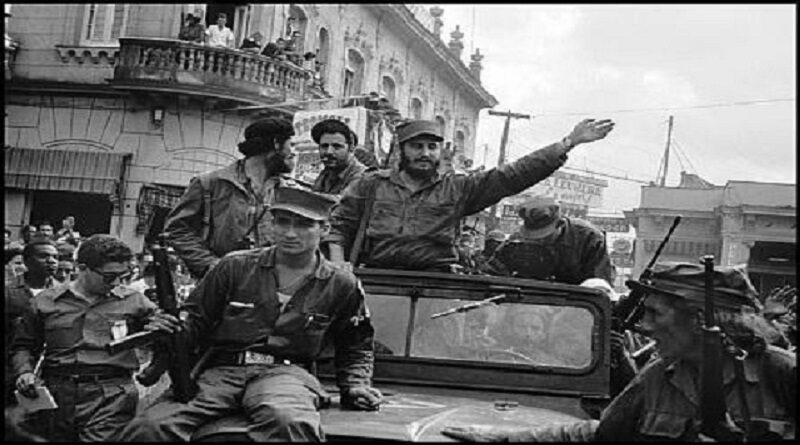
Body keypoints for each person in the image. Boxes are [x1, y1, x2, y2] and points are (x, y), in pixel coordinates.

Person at [120, 187, 382, 442]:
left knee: (289, 423)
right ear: (271, 225)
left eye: (303, 225)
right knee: (151, 426)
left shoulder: (341, 283)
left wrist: (355, 384)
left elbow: (356, 344)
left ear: (324, 230)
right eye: (283, 222)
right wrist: (170, 329)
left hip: (287, 375)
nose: (290, 233)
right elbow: (195, 321)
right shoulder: (234, 267)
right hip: (221, 371)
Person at [442, 262, 796, 442]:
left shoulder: (781, 374)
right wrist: (503, 436)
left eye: (657, 314)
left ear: (701, 321)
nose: (645, 326)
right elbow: (600, 434)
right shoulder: (659, 376)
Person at [328, 118, 614, 271]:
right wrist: (340, 265)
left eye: (432, 147)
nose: (425, 154)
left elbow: (513, 175)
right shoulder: (371, 185)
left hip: (437, 286)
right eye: (416, 147)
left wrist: (568, 143)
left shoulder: (458, 188)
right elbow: (338, 226)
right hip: (376, 280)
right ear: (402, 151)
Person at [10, 234, 160, 441]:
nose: (116, 282)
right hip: (57, 393)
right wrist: (24, 372)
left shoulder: (135, 301)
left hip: (112, 393)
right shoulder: (45, 301)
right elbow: (24, 345)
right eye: (108, 276)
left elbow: (165, 336)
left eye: (123, 276)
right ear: (82, 268)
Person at [164, 117, 302, 279]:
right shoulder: (210, 183)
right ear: (276, 144)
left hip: (273, 284)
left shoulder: (290, 191)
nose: (293, 152)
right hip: (222, 288)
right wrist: (210, 265)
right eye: (290, 145)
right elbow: (176, 229)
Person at [487, 195, 616, 286]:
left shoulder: (589, 239)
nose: (540, 240)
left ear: (560, 224)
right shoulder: (516, 242)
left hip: (576, 310)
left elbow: (599, 287)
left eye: (546, 235)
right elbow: (493, 273)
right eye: (534, 236)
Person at [310, 119, 368, 195]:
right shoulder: (326, 174)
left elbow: (343, 203)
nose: (329, 152)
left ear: (350, 147)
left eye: (337, 146)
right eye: (324, 146)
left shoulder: (362, 177)